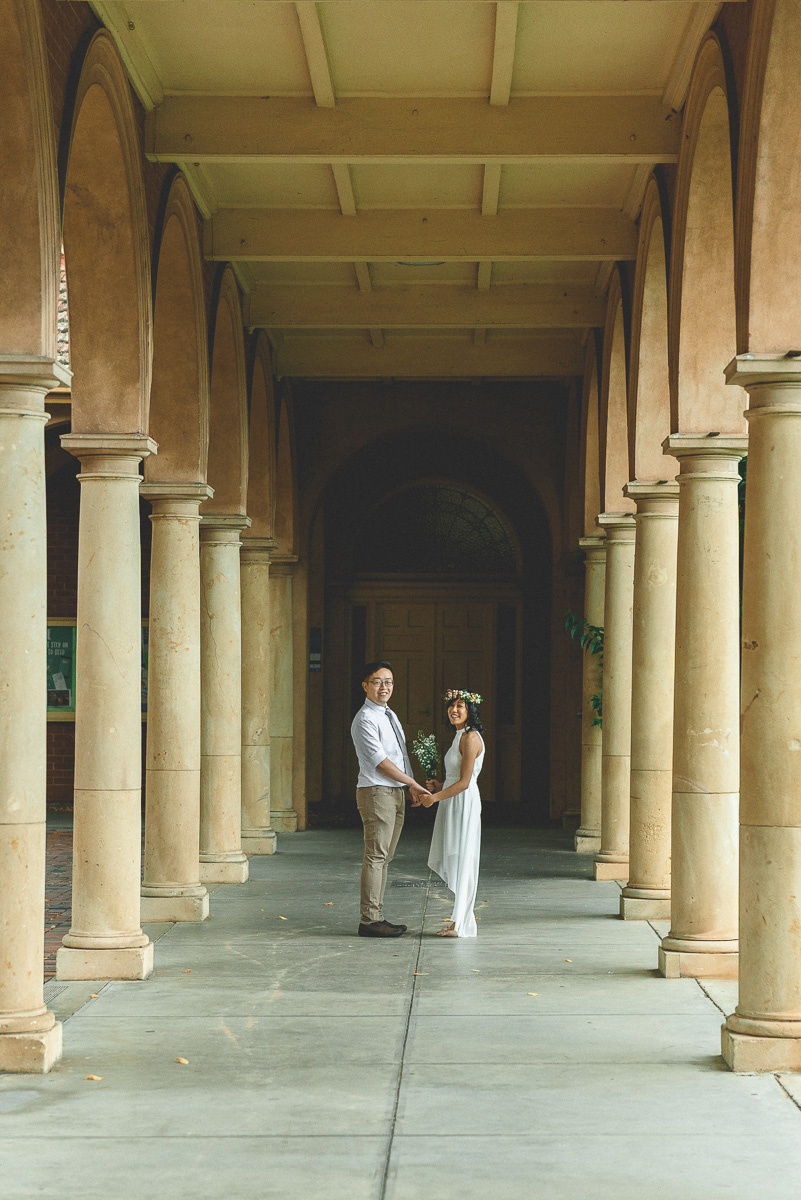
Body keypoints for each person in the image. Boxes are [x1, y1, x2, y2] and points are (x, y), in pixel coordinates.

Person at [351, 661, 429, 938]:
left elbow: (400, 756)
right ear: (365, 685)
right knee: (376, 855)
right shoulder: (365, 719)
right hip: (376, 791)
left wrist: (407, 787)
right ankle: (369, 920)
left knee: (385, 856)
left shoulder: (388, 715)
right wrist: (414, 783)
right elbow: (380, 763)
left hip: (394, 790)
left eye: (389, 682)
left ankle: (377, 916)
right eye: (377, 682)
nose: (384, 687)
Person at [421, 689, 485, 938]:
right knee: (456, 856)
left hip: (463, 802)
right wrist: (438, 787)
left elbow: (465, 782)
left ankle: (463, 925)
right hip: (452, 799)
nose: (454, 710)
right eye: (451, 706)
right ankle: (459, 921)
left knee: (463, 858)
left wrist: (434, 798)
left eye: (460, 706)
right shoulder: (459, 736)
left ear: (470, 711)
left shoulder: (470, 738)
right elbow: (454, 779)